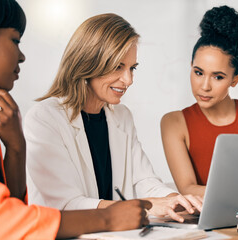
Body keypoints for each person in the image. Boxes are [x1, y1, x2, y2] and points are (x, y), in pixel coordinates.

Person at [0, 1, 151, 239]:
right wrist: (108, 218)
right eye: (15, 40)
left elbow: (12, 206)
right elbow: (1, 220)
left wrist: (16, 147)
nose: (21, 56)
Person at [25, 13, 202, 222]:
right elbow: (64, 204)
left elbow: (143, 180)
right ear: (89, 62)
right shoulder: (44, 118)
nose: (128, 80)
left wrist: (176, 200)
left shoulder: (122, 116)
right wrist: (148, 206)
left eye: (132, 68)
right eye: (118, 66)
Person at [161, 5, 238, 197]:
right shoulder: (174, 123)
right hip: (203, 222)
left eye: (218, 77)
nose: (204, 86)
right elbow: (188, 188)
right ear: (191, 66)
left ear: (235, 79)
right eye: (198, 72)